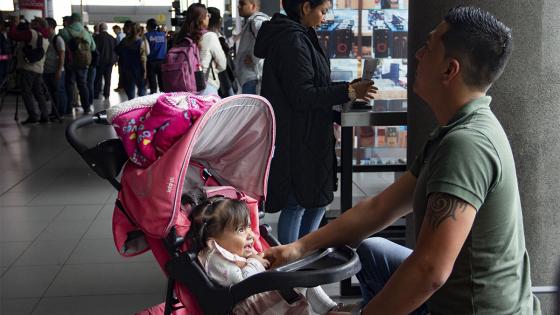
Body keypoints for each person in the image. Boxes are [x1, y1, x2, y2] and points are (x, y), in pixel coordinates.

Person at [265, 6, 542, 315]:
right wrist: (297, 248)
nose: (418, 55)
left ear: (450, 70)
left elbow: (429, 272)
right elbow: (379, 208)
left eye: (428, 47)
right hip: (450, 292)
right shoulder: (454, 130)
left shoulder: (466, 144)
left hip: (469, 309)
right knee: (373, 249)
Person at [254, 0, 376, 245]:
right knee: (297, 203)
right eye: (322, 11)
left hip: (309, 133)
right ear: (305, 7)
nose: (324, 17)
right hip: (298, 136)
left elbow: (313, 85)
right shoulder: (292, 41)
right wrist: (349, 92)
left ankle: (305, 256)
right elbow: (303, 95)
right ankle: (290, 265)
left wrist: (347, 88)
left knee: (315, 201)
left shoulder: (301, 36)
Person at [183, 189, 349, 314]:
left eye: (249, 227)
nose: (250, 234)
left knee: (301, 272)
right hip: (250, 306)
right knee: (295, 277)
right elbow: (245, 282)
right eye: (241, 230)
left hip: (262, 295)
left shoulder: (233, 250)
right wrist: (255, 261)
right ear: (214, 242)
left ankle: (329, 309)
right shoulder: (215, 259)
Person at [174, 3, 226, 95]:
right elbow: (222, 64)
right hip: (205, 85)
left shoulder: (181, 37)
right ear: (202, 19)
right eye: (207, 15)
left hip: (183, 87)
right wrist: (210, 69)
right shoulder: (210, 36)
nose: (209, 18)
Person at [8, 16, 51, 124]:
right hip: (39, 69)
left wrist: (14, 24)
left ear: (37, 24)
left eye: (32, 22)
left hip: (27, 68)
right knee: (38, 93)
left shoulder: (32, 33)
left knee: (26, 92)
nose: (30, 24)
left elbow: (13, 35)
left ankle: (33, 116)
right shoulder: (46, 37)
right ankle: (45, 115)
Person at [58, 13, 96, 114]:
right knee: (83, 85)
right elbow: (93, 47)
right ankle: (86, 108)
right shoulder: (86, 32)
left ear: (71, 20)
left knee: (69, 85)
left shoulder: (63, 31)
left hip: (69, 62)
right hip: (83, 62)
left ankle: (69, 108)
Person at [235, 0, 269, 94]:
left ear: (253, 6)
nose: (239, 7)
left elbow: (266, 40)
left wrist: (255, 59)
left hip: (252, 78)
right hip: (250, 78)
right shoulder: (251, 21)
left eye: (242, 4)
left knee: (251, 109)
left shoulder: (257, 20)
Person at [115, 22, 147, 100]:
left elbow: (117, 50)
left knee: (130, 91)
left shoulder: (124, 41)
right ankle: (140, 108)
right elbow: (143, 58)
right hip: (138, 68)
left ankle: (132, 106)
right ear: (139, 31)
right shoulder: (140, 42)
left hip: (126, 68)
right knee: (141, 90)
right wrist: (145, 70)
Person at [43, 17, 66, 117]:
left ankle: (60, 112)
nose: (44, 28)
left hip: (56, 70)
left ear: (51, 27)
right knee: (52, 93)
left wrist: (59, 70)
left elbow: (62, 55)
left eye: (45, 26)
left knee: (58, 91)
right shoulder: (46, 39)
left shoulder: (58, 39)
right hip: (47, 70)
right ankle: (54, 112)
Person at [93, 22, 116, 100]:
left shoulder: (97, 37)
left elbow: (94, 49)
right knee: (108, 79)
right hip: (110, 62)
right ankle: (106, 94)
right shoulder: (112, 38)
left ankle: (96, 94)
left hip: (100, 62)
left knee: (98, 78)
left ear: (100, 28)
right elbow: (115, 50)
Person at [144, 18, 167, 94]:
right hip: (162, 61)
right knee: (162, 82)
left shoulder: (147, 35)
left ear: (149, 26)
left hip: (151, 61)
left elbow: (147, 51)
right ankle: (163, 98)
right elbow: (165, 47)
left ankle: (153, 98)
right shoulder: (163, 35)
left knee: (152, 83)